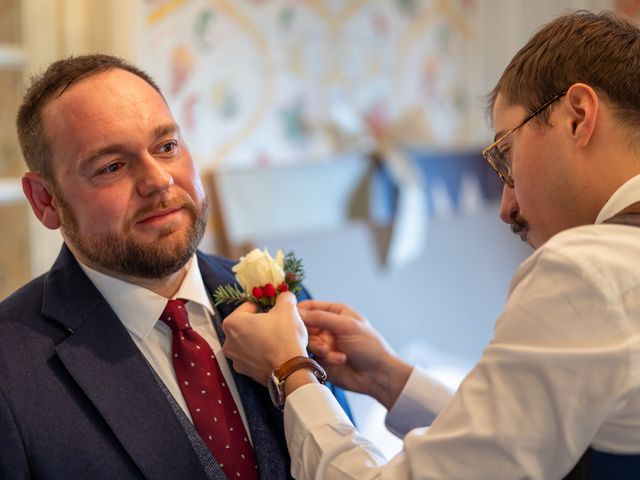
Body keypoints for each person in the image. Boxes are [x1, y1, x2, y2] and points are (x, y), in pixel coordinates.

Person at [221, 10, 640, 479]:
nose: (506, 206)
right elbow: (517, 444)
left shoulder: (584, 271)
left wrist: (291, 370)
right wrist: (389, 378)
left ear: (578, 117)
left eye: (506, 155)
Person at [0, 54, 351, 480]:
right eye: (111, 166)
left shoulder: (281, 304)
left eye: (166, 147)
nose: (159, 181)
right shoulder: (10, 369)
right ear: (45, 200)